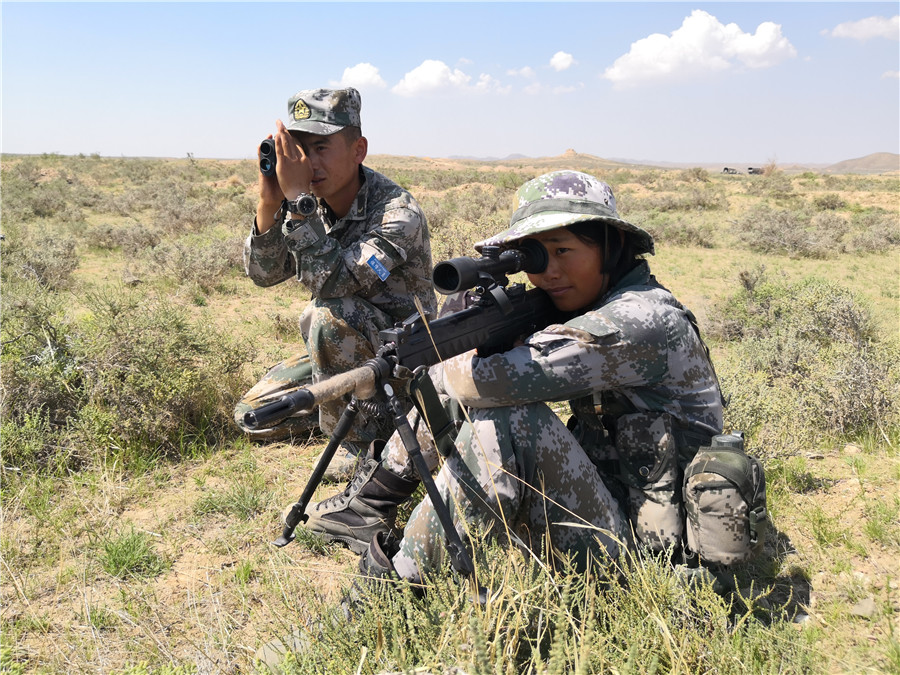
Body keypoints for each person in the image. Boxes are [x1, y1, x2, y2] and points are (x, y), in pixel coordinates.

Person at [303, 169, 724, 582]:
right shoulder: (598, 301)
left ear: (610, 246)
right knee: (473, 389)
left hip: (658, 555)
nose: (549, 273)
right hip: (618, 503)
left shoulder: (637, 319)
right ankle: (373, 503)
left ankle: (389, 590)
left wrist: (454, 352)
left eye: (562, 251)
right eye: (535, 257)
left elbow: (486, 383)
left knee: (505, 418)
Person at [234, 87, 437, 481]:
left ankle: (358, 443)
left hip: (402, 361)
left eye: (321, 148)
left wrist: (296, 197)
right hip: (341, 351)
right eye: (299, 151)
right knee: (253, 415)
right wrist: (269, 201)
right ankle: (347, 406)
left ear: (358, 149)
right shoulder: (313, 204)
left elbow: (335, 284)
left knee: (326, 313)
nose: (308, 163)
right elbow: (264, 275)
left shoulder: (397, 213)